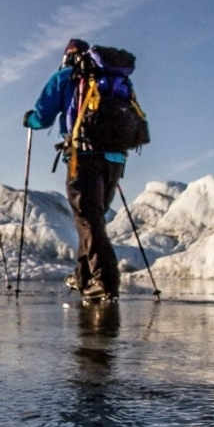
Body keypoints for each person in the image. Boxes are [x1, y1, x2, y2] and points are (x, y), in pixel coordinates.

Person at [22, 39, 133, 304]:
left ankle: (104, 281)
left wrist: (29, 119)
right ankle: (84, 278)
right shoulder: (113, 78)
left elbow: (42, 116)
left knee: (87, 219)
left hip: (83, 156)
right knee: (92, 220)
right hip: (115, 159)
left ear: (67, 57)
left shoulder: (65, 76)